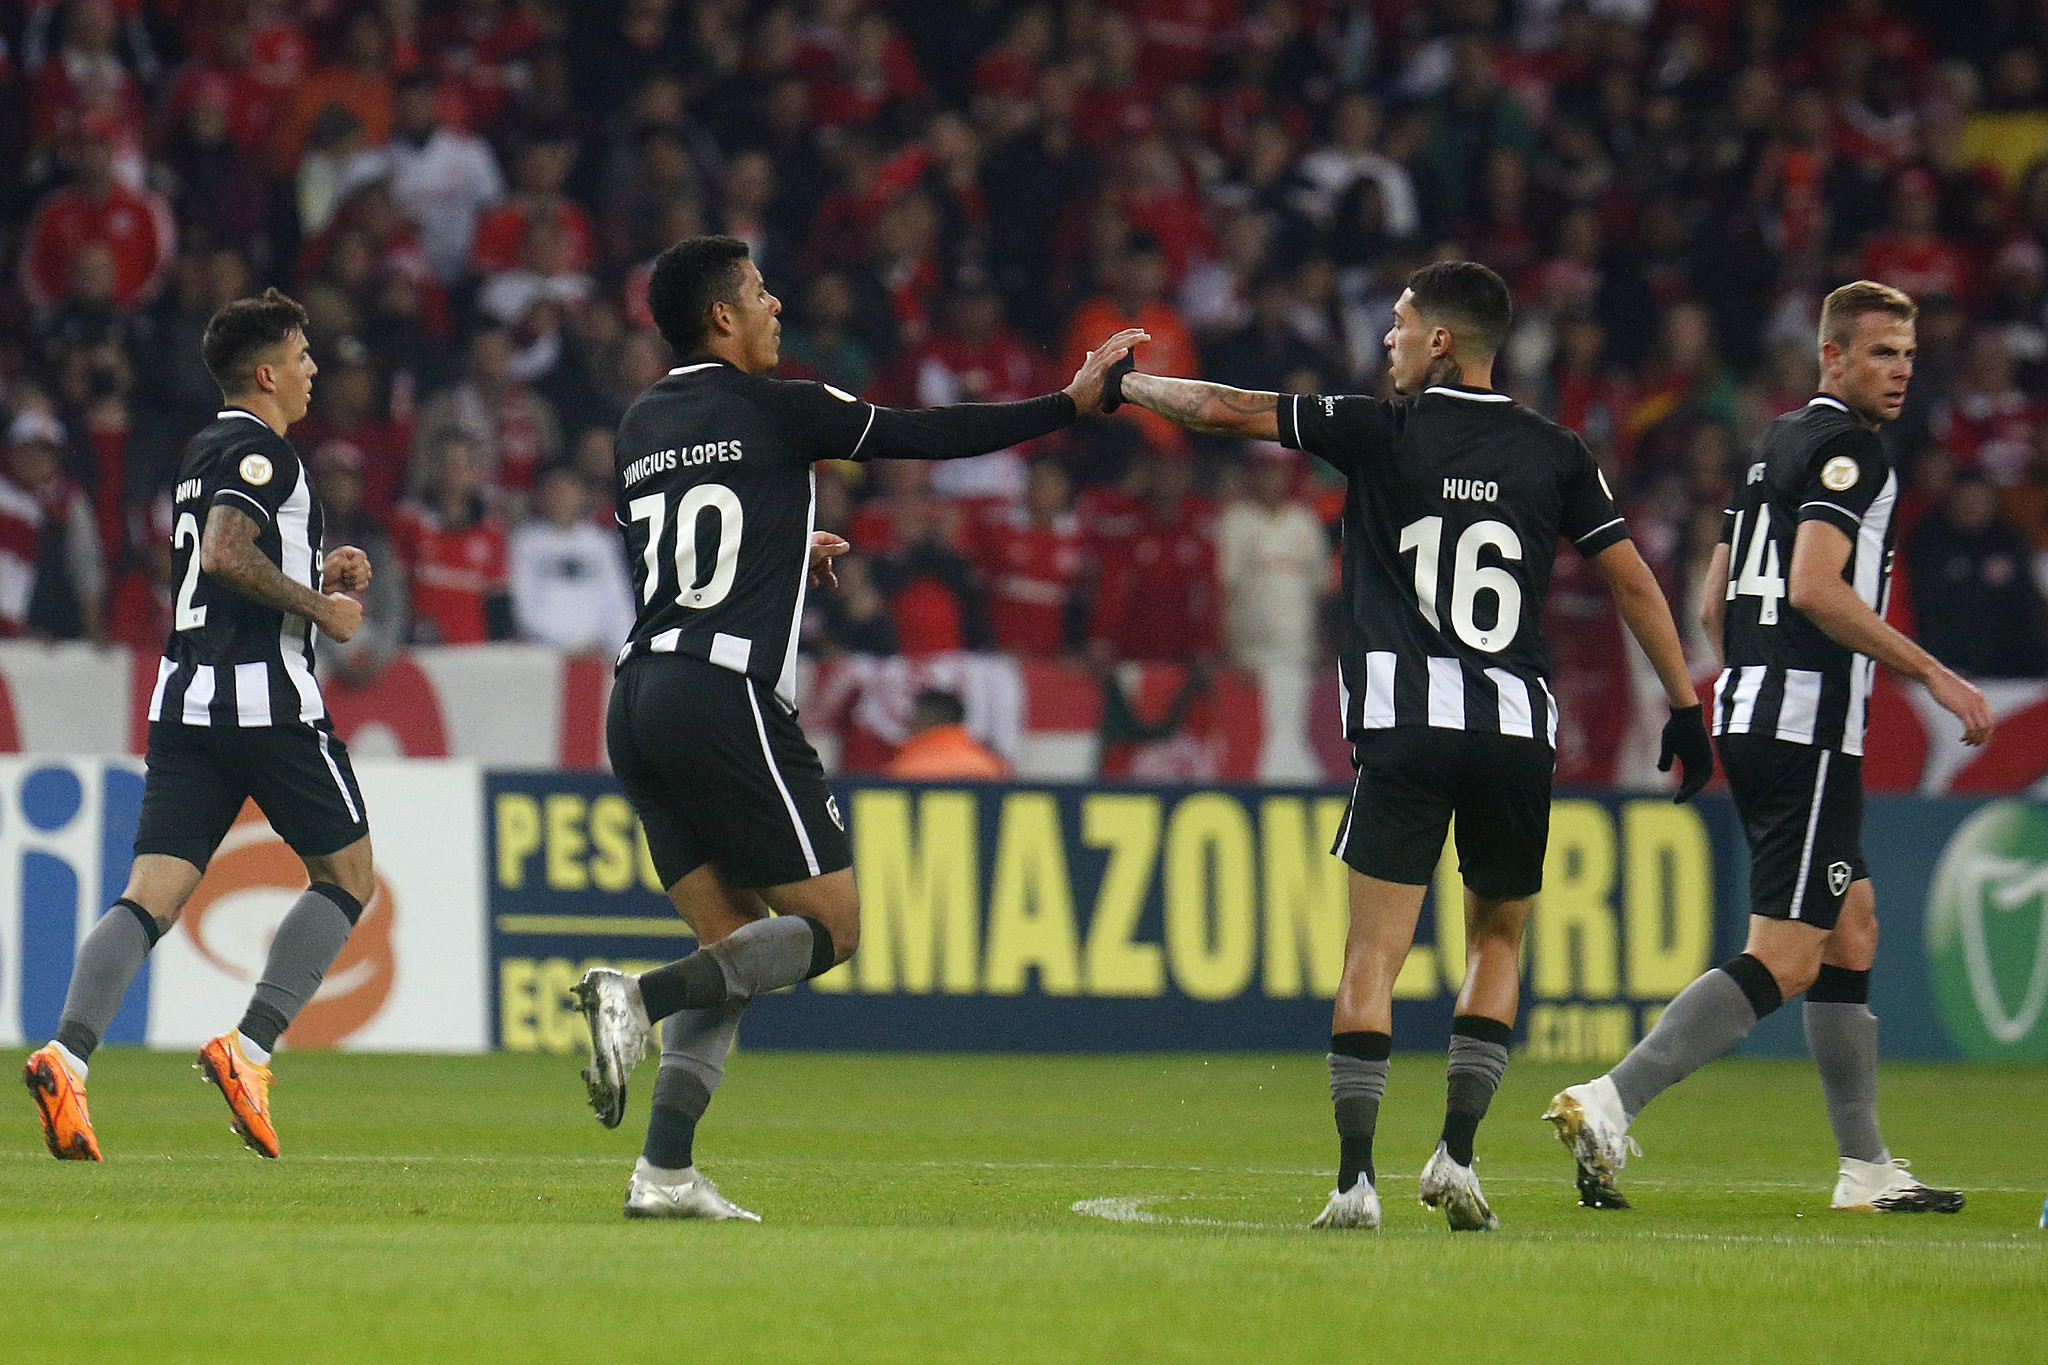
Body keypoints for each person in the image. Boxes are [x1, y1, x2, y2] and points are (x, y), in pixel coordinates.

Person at [1105, 260, 1712, 1232]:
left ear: (1438, 340)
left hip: (1405, 723)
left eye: (1396, 323)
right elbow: (1634, 583)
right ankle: (1457, 1159)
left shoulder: (1376, 426)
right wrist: (1683, 706)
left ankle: (1354, 1182)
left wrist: (1121, 385)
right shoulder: (1556, 451)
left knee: (1372, 956)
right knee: (1497, 938)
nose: (1384, 338)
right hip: (1512, 728)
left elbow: (1220, 409)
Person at [572, 235, 1143, 1220]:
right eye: (758, 291)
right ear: (722, 317)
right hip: (725, 695)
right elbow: (923, 434)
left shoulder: (641, 422)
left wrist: (790, 544)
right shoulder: (785, 405)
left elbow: (689, 548)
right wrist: (1065, 404)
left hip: (637, 697)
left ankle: (662, 1172)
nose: (776, 303)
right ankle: (637, 999)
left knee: (737, 951)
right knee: (832, 928)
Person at [1546, 282, 1995, 1215]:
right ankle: (1611, 1099)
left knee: (1851, 925)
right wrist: (1935, 674)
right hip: (1806, 731)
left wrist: (1753, 676)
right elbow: (1816, 590)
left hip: (1751, 711)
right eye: (1880, 353)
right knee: (1787, 958)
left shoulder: (1771, 448)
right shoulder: (1853, 454)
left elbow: (1715, 604)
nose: (1901, 369)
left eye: (1908, 353)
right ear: (1831, 357)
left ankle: (1865, 1166)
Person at [23, 289, 376, 1162]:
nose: (312, 369)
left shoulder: (204, 449)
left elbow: (221, 555)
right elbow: (224, 553)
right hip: (267, 704)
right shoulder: (263, 452)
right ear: (266, 372)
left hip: (182, 702)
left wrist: (313, 567)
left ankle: (68, 1054)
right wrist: (323, 609)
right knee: (347, 878)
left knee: (153, 894)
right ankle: (248, 1048)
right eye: (300, 356)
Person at [885, 689, 1009, 779]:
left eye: (915, 715)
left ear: (930, 718)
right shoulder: (990, 766)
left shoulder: (908, 769)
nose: (908, 722)